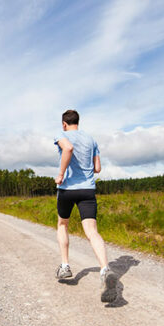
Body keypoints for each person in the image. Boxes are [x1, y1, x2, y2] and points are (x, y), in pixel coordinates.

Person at [53, 109, 118, 302]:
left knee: (63, 224)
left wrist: (61, 174)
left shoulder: (61, 135)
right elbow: (97, 168)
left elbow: (68, 148)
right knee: (91, 231)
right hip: (88, 190)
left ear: (64, 123)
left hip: (67, 189)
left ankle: (65, 266)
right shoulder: (91, 140)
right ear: (77, 122)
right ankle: (105, 269)